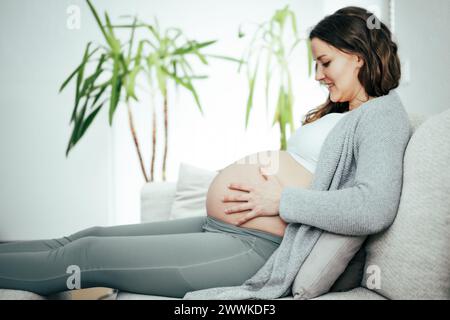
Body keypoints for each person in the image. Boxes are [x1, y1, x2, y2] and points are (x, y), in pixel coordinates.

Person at [0, 6, 411, 299]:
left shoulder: (382, 114)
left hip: (259, 249)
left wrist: (279, 199)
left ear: (357, 56)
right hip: (228, 229)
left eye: (325, 62)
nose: (317, 75)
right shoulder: (342, 112)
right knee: (87, 237)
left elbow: (373, 207)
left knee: (86, 256)